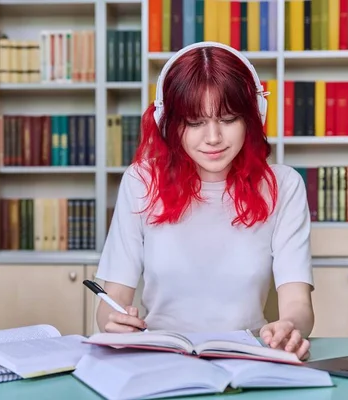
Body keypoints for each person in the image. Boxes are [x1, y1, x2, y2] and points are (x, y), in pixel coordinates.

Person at [95, 41, 315, 361]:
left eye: (227, 119)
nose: (213, 138)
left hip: (248, 356)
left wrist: (290, 328)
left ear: (252, 117)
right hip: (159, 356)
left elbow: (298, 304)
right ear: (169, 124)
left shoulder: (283, 186)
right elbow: (111, 299)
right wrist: (112, 322)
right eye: (195, 123)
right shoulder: (140, 181)